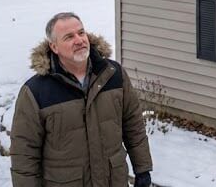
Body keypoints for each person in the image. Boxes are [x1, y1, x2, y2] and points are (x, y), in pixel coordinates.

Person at [10, 12, 153, 186]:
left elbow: (133, 125)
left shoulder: (113, 75)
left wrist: (142, 169)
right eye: (69, 37)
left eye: (81, 33)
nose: (79, 40)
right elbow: (24, 153)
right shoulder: (36, 91)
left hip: (113, 180)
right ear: (54, 47)